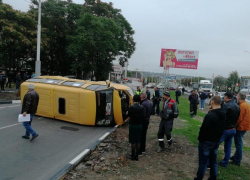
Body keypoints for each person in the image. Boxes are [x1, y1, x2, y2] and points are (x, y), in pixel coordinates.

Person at [194, 96, 226, 180]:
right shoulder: (223, 114)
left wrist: (200, 139)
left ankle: (199, 178)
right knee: (213, 161)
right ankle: (213, 177)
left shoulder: (210, 116)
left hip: (206, 142)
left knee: (203, 162)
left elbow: (203, 129)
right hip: (216, 141)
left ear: (212, 102)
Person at [218, 92, 240, 167]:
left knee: (214, 144)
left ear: (226, 97)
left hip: (225, 129)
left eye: (224, 96)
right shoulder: (237, 106)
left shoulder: (226, 105)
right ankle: (225, 162)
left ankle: (209, 161)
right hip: (233, 129)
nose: (224, 98)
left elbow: (222, 117)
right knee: (228, 147)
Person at [230, 93, 250, 166]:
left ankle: (237, 160)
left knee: (238, 144)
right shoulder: (246, 104)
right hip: (245, 126)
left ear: (239, 98)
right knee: (239, 142)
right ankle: (236, 156)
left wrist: (234, 125)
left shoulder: (242, 106)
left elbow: (239, 118)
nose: (236, 97)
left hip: (241, 127)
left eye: (237, 96)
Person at [127, 95, 145, 161]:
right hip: (139, 125)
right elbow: (144, 116)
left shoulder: (131, 107)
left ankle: (132, 155)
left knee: (133, 141)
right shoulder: (142, 107)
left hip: (132, 125)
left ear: (134, 100)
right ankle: (137, 156)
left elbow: (128, 115)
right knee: (138, 141)